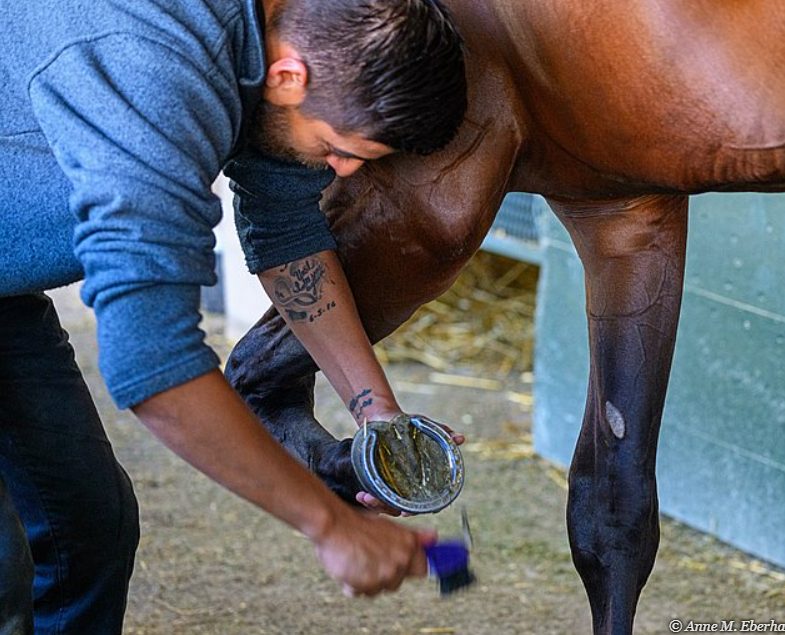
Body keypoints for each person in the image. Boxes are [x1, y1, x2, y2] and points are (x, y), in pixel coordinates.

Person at [0, 0, 467, 631]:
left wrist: (379, 416)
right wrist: (329, 527)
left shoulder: (277, 34)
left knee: (86, 530)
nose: (345, 171)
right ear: (289, 77)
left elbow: (285, 225)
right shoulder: (154, 67)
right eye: (337, 150)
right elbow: (153, 362)